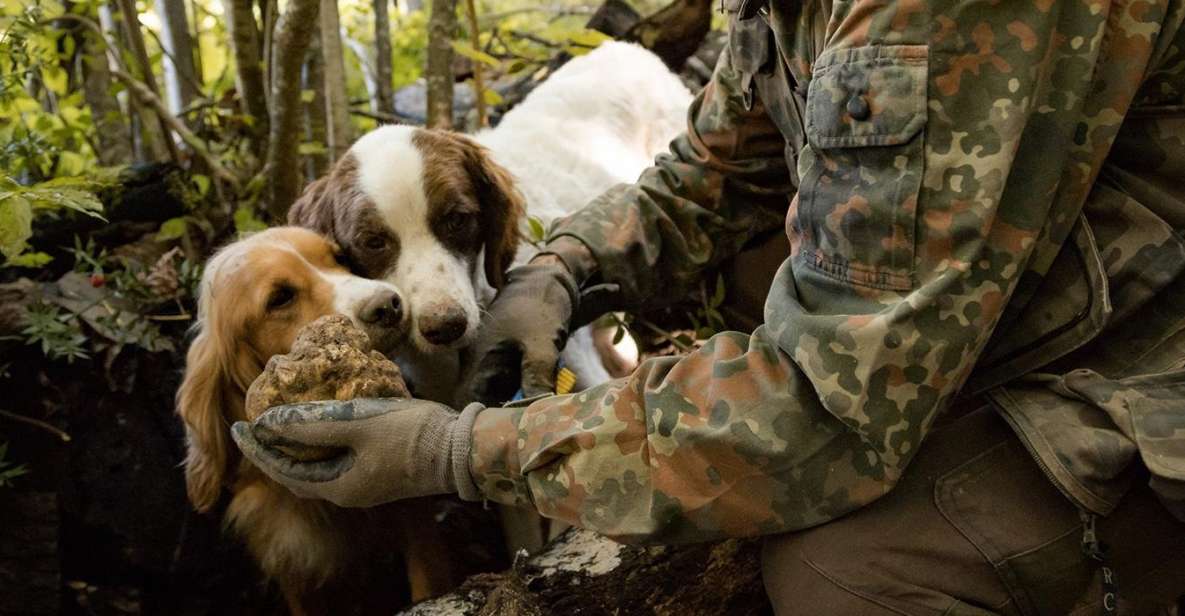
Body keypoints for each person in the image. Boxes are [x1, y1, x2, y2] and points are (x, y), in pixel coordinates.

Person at [232, 1, 1185, 612]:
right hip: (1027, 299)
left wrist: (454, 452)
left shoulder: (935, 14)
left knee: (843, 579)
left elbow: (826, 409)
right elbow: (710, 177)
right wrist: (558, 270)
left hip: (1144, 368)